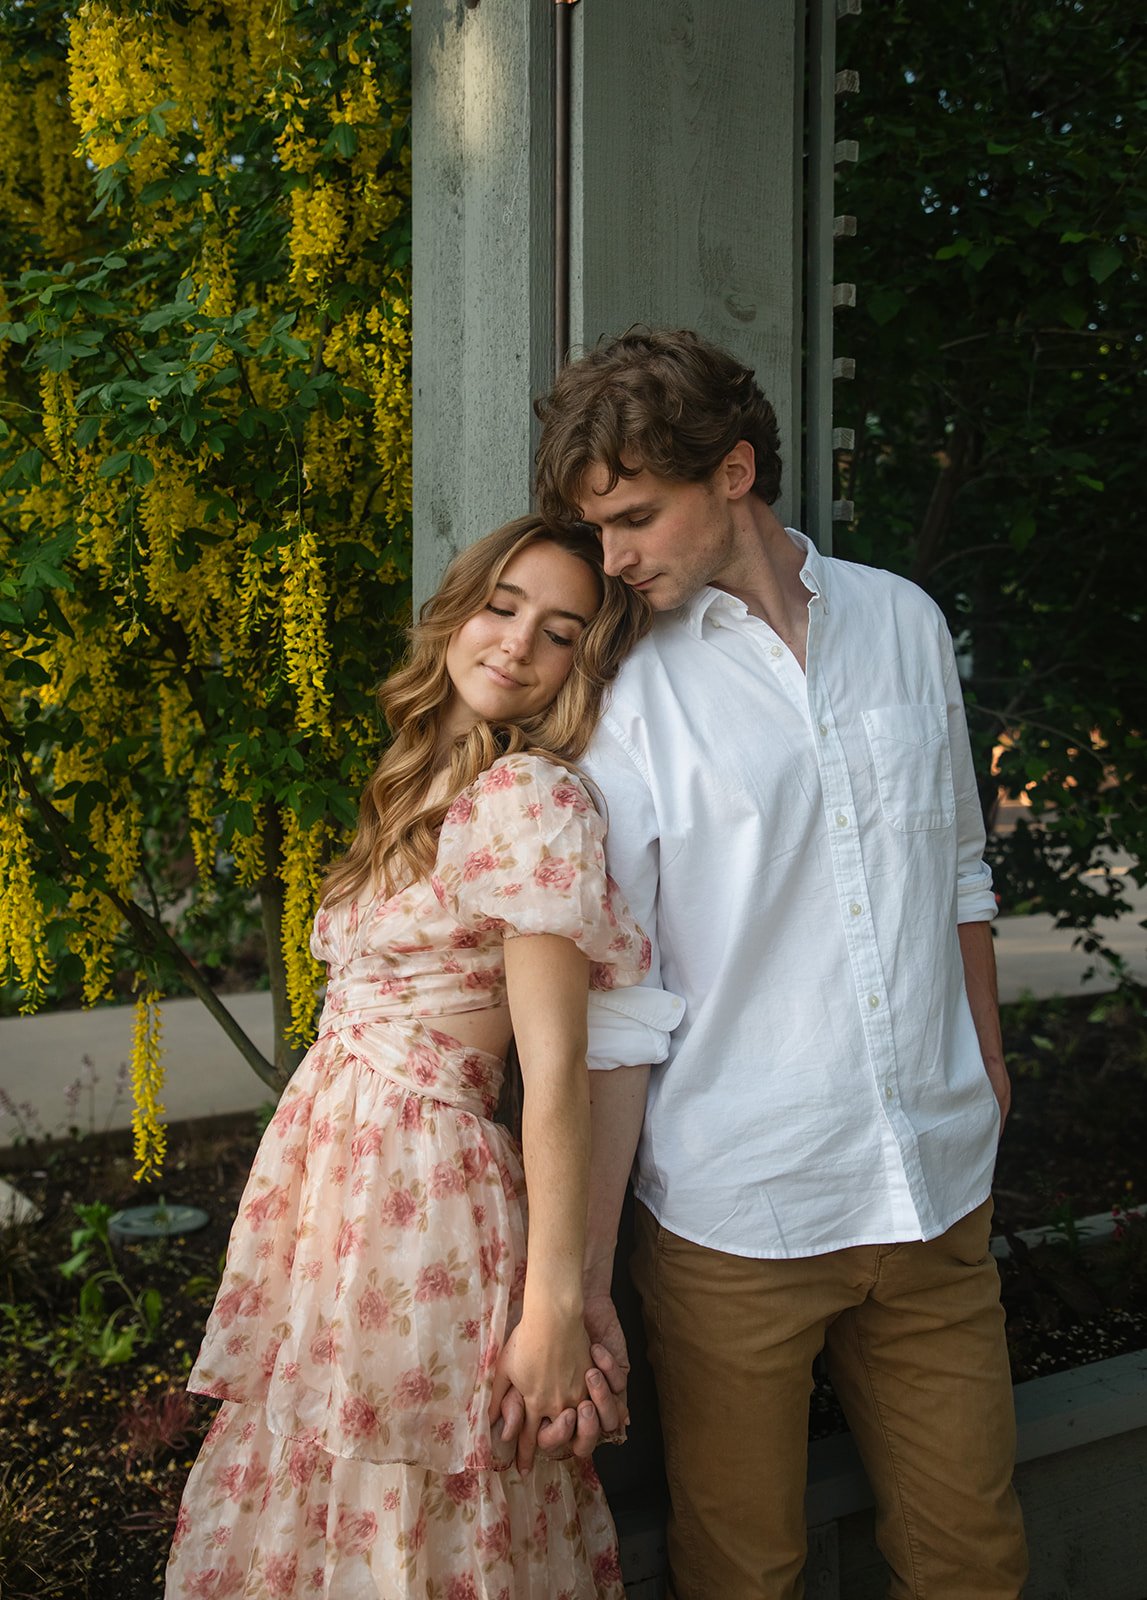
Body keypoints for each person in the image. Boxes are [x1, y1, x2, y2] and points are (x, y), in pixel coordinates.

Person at [530, 329, 1030, 1599]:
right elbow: (620, 1004)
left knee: (973, 1557)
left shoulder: (901, 621)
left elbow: (958, 865)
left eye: (636, 517)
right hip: (737, 1217)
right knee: (743, 1570)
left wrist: (986, 1061)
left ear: (735, 471)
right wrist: (584, 1275)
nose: (613, 559)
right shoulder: (625, 693)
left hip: (934, 1190)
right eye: (597, 530)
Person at [165, 516, 664, 1600]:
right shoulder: (414, 788)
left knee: (412, 1487)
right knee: (315, 1469)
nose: (518, 642)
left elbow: (557, 1074)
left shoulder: (529, 798)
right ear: (457, 611)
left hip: (422, 1194)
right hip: (333, 1192)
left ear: (579, 666)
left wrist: (555, 1305)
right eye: (502, 606)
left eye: (559, 632)